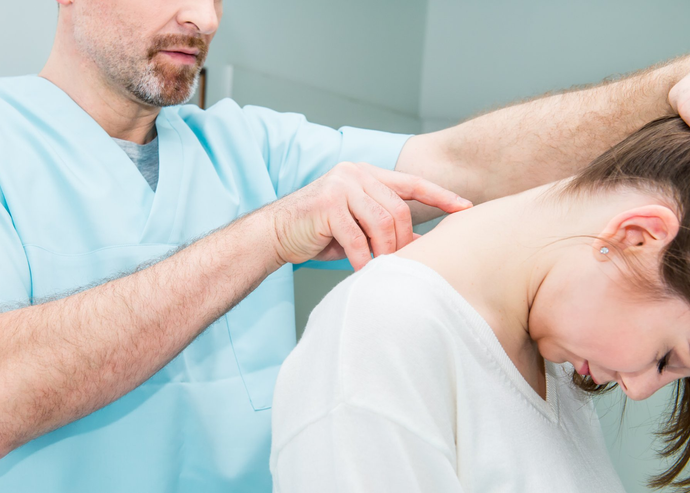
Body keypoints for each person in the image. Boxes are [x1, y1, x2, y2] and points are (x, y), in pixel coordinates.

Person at [0, 0, 689, 491]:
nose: (205, 19)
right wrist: (267, 236)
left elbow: (464, 166)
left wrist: (666, 89)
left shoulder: (245, 148)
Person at [270, 116, 690, 492]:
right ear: (637, 238)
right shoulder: (385, 331)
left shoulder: (557, 364)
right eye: (663, 358)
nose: (638, 390)